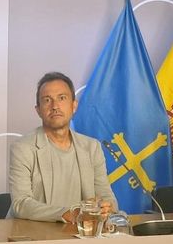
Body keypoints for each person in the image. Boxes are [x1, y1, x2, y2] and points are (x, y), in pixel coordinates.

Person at [8, 72, 115, 222]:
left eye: (62, 98)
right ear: (38, 110)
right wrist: (65, 214)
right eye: (47, 100)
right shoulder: (23, 148)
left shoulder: (92, 147)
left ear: (74, 106)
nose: (55, 106)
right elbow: (20, 204)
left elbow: (105, 195)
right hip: (34, 235)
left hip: (83, 234)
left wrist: (107, 207)